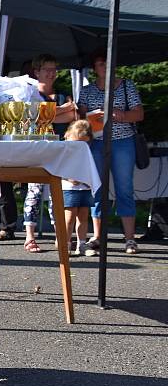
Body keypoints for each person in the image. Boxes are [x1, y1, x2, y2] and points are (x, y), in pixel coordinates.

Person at [78, 49, 144, 254]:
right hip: (96, 143)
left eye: (108, 63)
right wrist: (90, 118)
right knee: (97, 189)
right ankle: (98, 236)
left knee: (124, 188)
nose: (105, 66)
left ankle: (130, 239)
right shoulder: (87, 90)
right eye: (100, 63)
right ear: (94, 68)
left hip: (123, 142)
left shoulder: (126, 86)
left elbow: (139, 114)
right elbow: (80, 118)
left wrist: (121, 115)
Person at [22, 54, 78, 253]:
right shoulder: (30, 94)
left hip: (59, 150)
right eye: (47, 69)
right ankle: (29, 237)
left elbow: (72, 116)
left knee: (59, 194)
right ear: (36, 71)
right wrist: (59, 111)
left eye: (54, 69)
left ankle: (60, 236)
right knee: (34, 192)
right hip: (37, 150)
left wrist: (50, 113)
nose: (51, 73)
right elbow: (32, 117)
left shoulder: (63, 95)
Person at [61, 120, 96, 257]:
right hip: (69, 189)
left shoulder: (88, 153)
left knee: (83, 217)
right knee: (69, 218)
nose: (80, 146)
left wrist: (89, 181)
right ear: (68, 136)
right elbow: (56, 169)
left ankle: (81, 244)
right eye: (76, 142)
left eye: (84, 143)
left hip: (85, 189)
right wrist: (69, 178)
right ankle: (66, 244)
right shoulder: (63, 151)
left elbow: (91, 169)